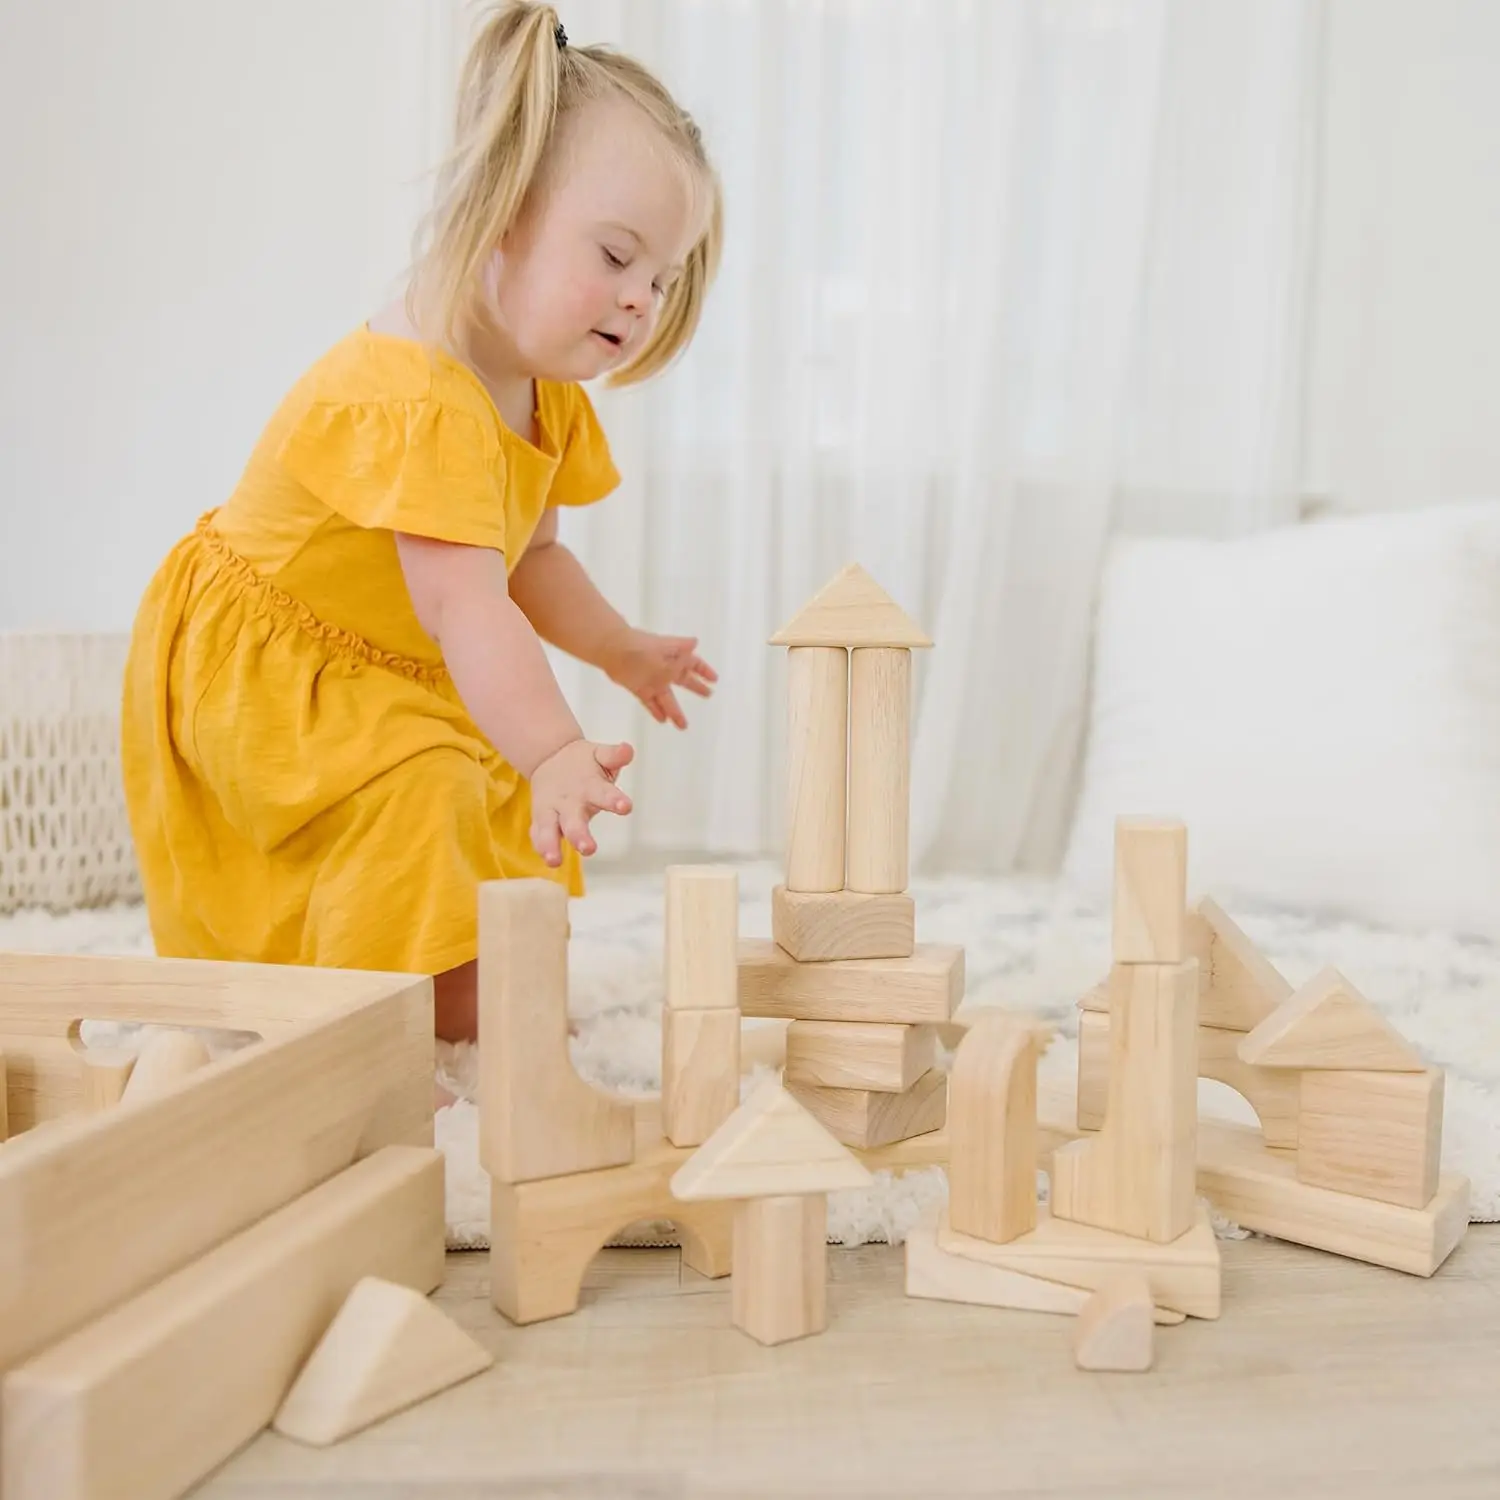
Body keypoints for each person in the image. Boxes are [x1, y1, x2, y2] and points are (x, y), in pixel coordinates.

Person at [119, 1, 722, 1045]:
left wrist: (617, 648)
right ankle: (365, 1022)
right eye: (618, 257)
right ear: (503, 206)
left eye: (663, 280)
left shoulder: (539, 388)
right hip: (275, 667)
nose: (641, 301)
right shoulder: (421, 395)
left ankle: (454, 991)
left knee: (480, 783)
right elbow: (460, 599)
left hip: (391, 653)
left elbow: (529, 558)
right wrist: (552, 750)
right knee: (434, 785)